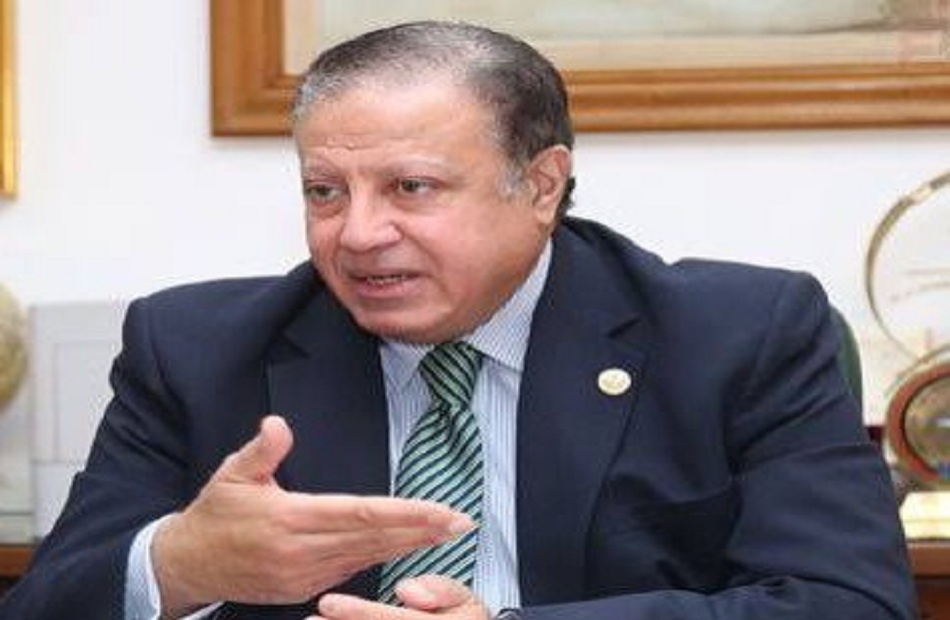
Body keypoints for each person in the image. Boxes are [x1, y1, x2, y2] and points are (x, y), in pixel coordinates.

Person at [0, 20, 916, 620]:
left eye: (411, 187)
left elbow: (847, 603)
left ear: (542, 186)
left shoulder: (739, 335)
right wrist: (179, 566)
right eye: (324, 191)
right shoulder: (196, 350)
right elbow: (45, 604)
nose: (358, 234)